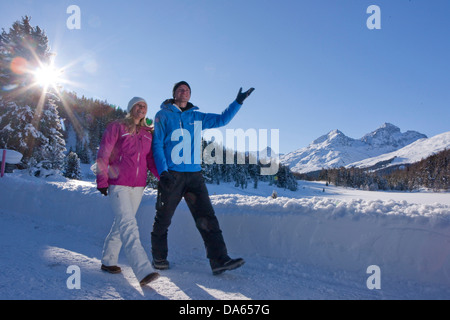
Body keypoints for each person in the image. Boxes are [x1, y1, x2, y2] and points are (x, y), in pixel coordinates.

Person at [151, 81, 254, 275]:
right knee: (163, 218)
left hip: (194, 175)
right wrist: (163, 172)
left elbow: (222, 120)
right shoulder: (162, 115)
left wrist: (237, 102)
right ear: (174, 94)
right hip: (172, 175)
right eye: (181, 89)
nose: (184, 92)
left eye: (188, 90)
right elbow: (157, 145)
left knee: (207, 218)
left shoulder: (196, 116)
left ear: (190, 95)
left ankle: (219, 260)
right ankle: (159, 257)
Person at [96, 97, 160, 287]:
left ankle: (108, 261)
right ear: (131, 108)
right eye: (138, 105)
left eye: (145, 106)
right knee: (129, 225)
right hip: (119, 184)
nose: (142, 108)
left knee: (122, 224)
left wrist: (163, 178)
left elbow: (149, 160)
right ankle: (143, 270)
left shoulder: (148, 133)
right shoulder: (117, 127)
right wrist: (102, 180)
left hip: (138, 186)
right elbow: (104, 152)